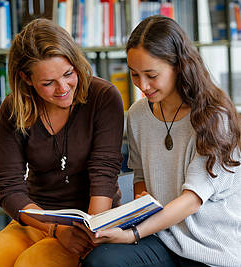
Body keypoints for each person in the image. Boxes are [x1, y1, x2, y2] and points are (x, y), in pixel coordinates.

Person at [77, 15, 241, 267]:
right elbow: (141, 177)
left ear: (179, 66)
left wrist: (132, 234)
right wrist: (138, 211)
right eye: (134, 74)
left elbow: (192, 201)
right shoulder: (138, 114)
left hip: (210, 247)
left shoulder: (214, 117)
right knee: (100, 261)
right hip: (162, 237)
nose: (143, 85)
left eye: (151, 75)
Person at [0, 18, 124, 267]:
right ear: (26, 78)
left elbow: (104, 174)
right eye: (48, 83)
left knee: (32, 263)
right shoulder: (13, 109)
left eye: (69, 74)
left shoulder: (104, 97)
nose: (63, 88)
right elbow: (10, 188)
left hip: (91, 219)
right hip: (38, 217)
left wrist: (92, 232)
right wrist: (55, 229)